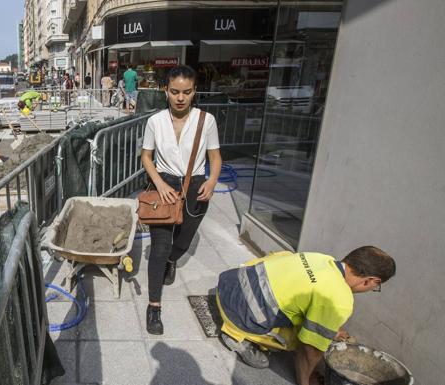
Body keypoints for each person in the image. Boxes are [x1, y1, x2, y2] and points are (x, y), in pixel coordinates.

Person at [216, 246, 396, 385]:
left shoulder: (322, 259)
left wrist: (331, 327)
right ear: (372, 280)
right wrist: (306, 381)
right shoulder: (340, 298)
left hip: (228, 284)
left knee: (284, 256)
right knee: (298, 340)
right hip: (237, 312)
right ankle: (238, 337)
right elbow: (311, 349)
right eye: (376, 287)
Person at [141, 65, 222, 335]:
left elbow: (215, 158)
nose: (180, 98)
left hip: (196, 185)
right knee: (159, 246)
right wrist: (161, 183)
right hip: (162, 185)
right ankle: (154, 307)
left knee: (182, 243)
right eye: (175, 91)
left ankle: (172, 260)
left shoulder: (206, 120)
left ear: (194, 92)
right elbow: (146, 157)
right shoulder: (155, 121)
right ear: (166, 90)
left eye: (186, 92)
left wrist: (211, 181)